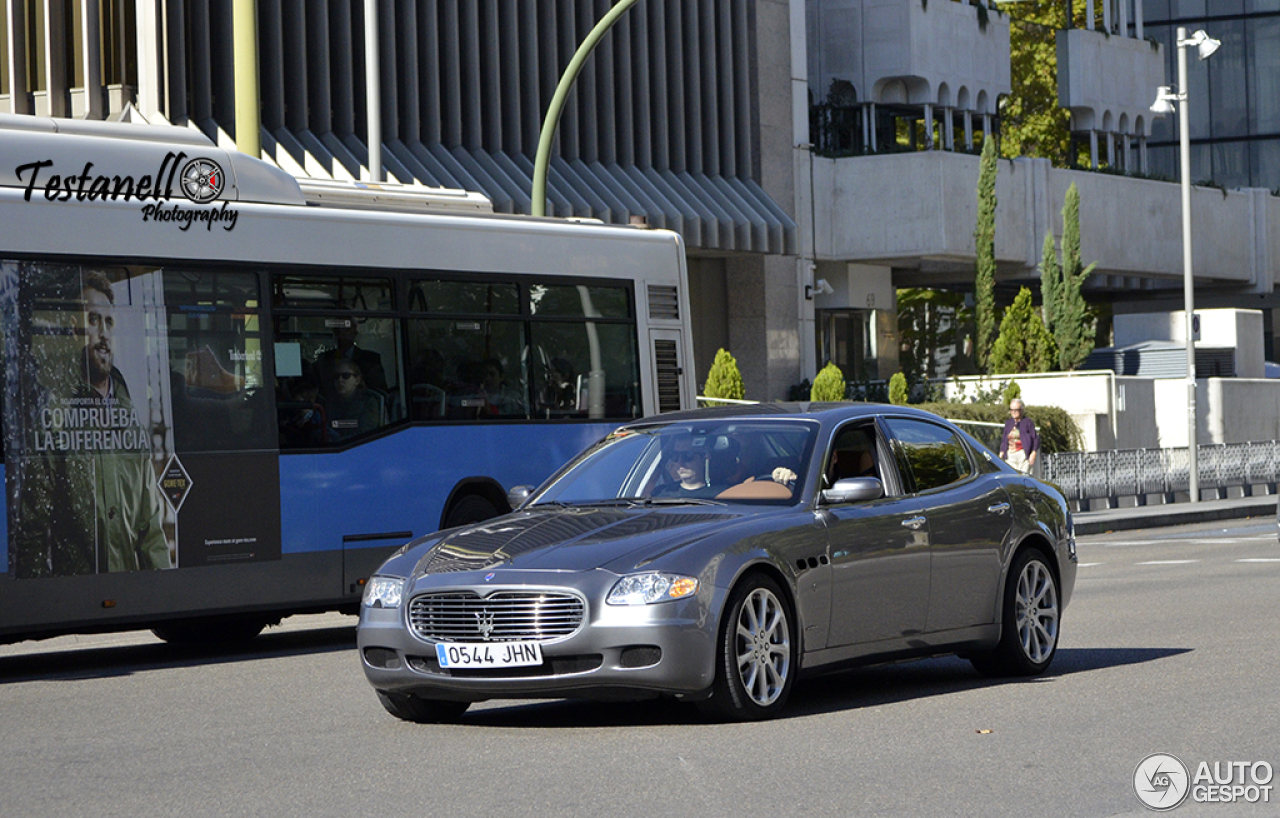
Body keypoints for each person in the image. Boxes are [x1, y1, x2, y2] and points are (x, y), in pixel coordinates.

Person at [13, 270, 171, 577]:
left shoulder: (129, 421)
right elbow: (32, 532)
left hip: (125, 588)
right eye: (94, 320)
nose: (104, 334)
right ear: (75, 330)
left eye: (109, 322)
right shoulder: (53, 420)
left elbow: (149, 527)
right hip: (74, 592)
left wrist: (166, 591)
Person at [652, 435, 727, 499]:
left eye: (687, 456)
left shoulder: (723, 495)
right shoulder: (661, 494)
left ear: (704, 459)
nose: (680, 462)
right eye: (675, 456)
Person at [325, 359, 383, 441]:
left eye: (346, 376)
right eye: (336, 377)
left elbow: (366, 432)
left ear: (357, 380)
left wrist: (339, 441)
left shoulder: (368, 402)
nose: (340, 380)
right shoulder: (330, 402)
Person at [999, 398, 1039, 474]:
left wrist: (1033, 453)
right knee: (1012, 478)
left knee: (1024, 478)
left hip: (1023, 455)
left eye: (1016, 410)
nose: (1013, 412)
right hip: (1010, 455)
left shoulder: (1028, 422)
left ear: (1021, 410)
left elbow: (1035, 439)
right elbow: (1004, 439)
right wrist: (1001, 453)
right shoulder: (1008, 423)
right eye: (1011, 410)